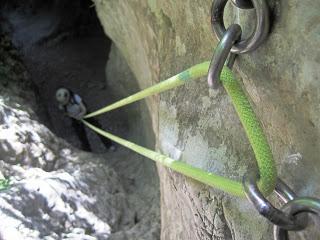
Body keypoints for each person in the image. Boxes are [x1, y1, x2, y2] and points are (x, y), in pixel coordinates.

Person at [55, 87, 116, 152]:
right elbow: (66, 113)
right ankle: (88, 150)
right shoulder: (62, 105)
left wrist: (81, 115)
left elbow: (84, 108)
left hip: (85, 114)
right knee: (81, 136)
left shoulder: (75, 98)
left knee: (97, 128)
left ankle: (109, 145)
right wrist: (74, 116)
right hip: (75, 118)